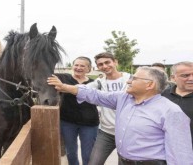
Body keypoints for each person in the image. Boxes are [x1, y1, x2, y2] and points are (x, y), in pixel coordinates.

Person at [48, 66, 193, 164]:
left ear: (150, 85)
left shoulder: (171, 111)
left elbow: (181, 153)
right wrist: (65, 87)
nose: (129, 81)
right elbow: (96, 95)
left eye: (134, 79)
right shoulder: (123, 98)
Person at [85, 52, 131, 165]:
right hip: (106, 132)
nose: (104, 66)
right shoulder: (99, 82)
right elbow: (82, 89)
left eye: (107, 62)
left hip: (128, 132)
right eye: (100, 64)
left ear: (115, 62)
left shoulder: (131, 79)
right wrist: (62, 86)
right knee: (94, 162)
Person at [56, 56, 99, 165]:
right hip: (67, 122)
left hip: (89, 123)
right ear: (72, 66)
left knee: (88, 154)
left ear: (89, 69)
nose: (78, 67)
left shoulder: (94, 83)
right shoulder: (63, 78)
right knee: (70, 153)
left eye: (82, 66)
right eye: (76, 65)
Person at [162, 61, 193, 146]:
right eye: (185, 75)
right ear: (173, 77)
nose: (191, 79)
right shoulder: (162, 96)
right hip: (167, 152)